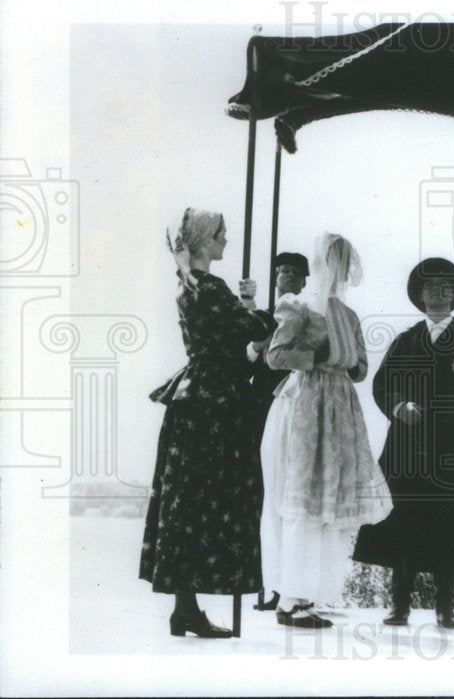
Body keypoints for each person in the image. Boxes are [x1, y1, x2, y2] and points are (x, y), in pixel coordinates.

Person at [141, 207, 276, 638]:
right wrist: (253, 305)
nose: (226, 240)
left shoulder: (189, 287)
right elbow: (255, 330)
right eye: (220, 234)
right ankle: (187, 611)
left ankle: (186, 609)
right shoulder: (213, 288)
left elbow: (231, 342)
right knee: (213, 498)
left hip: (195, 397)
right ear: (204, 241)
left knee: (187, 501)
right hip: (216, 404)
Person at [352, 257, 454, 630]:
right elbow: (381, 385)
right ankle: (399, 605)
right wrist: (398, 406)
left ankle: (445, 607)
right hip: (406, 443)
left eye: (444, 284)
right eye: (429, 284)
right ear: (419, 295)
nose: (437, 289)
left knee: (448, 521)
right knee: (403, 518)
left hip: (451, 442)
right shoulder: (405, 340)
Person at [258, 233, 393, 628]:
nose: (338, 271)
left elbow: (362, 368)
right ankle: (290, 599)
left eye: (343, 263)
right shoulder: (298, 307)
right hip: (306, 404)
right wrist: (318, 356)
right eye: (333, 261)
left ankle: (310, 595)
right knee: (303, 495)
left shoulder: (348, 315)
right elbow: (275, 356)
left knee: (328, 500)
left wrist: (350, 363)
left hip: (340, 407)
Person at [247, 251, 309, 612]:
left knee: (296, 496)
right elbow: (251, 356)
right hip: (263, 407)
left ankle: (296, 585)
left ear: (304, 280)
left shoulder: (309, 315)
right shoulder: (263, 317)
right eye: (282, 271)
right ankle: (270, 585)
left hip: (300, 406)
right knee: (265, 496)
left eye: (294, 272)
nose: (287, 276)